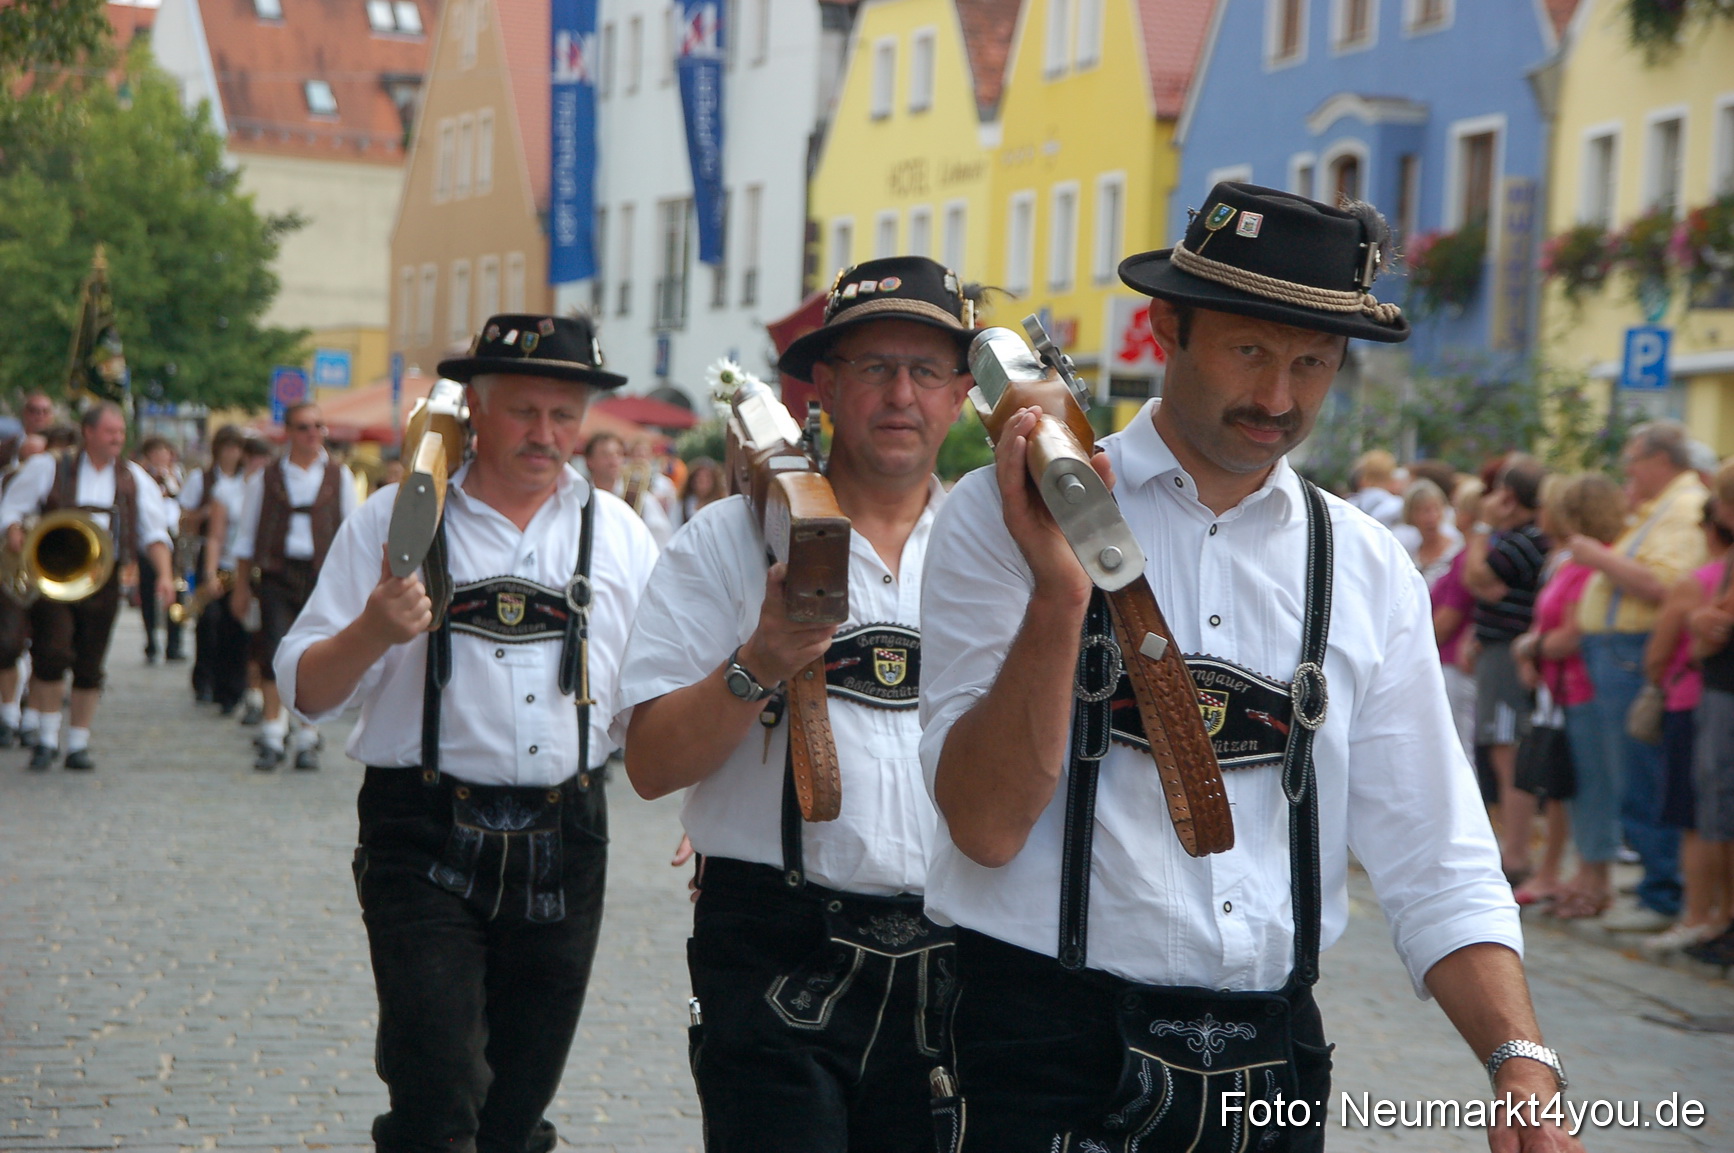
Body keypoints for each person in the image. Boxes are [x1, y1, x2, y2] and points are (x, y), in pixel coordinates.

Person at [920, 183, 1578, 1151]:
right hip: (1041, 1049)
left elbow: (1436, 853)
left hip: (1273, 1064)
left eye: (1314, 362)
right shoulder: (997, 514)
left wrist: (1519, 1058)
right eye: (1251, 351)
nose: (1279, 397)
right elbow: (981, 825)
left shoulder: (1361, 562)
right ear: (1165, 329)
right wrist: (1062, 593)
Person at [276, 313, 658, 1153]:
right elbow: (304, 690)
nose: (546, 433)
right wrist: (372, 630)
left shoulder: (622, 535)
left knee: (516, 1112)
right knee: (439, 1092)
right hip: (422, 832)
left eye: (565, 415)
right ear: (474, 410)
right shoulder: (394, 521)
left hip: (568, 832)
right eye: (525, 411)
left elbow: (655, 696)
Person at [617, 256, 973, 1152]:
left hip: (959, 956)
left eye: (926, 370)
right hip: (776, 944)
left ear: (962, 394)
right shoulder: (725, 541)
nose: (901, 394)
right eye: (874, 367)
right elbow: (652, 764)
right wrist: (760, 661)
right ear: (823, 385)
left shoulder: (995, 551)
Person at [1572, 420, 1706, 925]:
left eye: (1633, 459)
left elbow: (1663, 585)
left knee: (1642, 774)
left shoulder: (1683, 508)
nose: (1627, 470)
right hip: (1618, 651)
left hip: (1633, 652)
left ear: (1660, 461)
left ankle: (1661, 890)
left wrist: (1598, 558)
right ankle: (1656, 883)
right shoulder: (1662, 508)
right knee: (1631, 774)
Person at [0, 403, 175, 770]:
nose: (118, 439)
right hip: (53, 573)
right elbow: (11, 508)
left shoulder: (133, 477)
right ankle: (47, 738)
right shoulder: (49, 466)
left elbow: (154, 531)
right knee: (51, 652)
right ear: (89, 432)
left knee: (90, 661)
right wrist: (14, 530)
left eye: (121, 433)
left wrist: (163, 574)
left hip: (102, 577)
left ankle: (78, 742)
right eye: (111, 432)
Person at [228, 403, 360, 770]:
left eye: (319, 426)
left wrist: (353, 588)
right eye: (304, 427)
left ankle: (308, 733)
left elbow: (352, 534)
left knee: (316, 654)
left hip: (322, 576)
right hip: (275, 572)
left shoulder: (340, 476)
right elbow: (246, 538)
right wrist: (240, 587)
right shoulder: (264, 478)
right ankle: (272, 731)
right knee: (272, 649)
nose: (313, 434)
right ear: (288, 432)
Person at [1640, 490, 1731, 952]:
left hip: (1692, 702)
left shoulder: (1697, 581)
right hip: (1711, 697)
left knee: (1693, 816)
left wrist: (1664, 672)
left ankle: (1700, 912)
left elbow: (1660, 652)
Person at [1462, 456, 1551, 886]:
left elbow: (1481, 579)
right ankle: (1512, 844)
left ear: (1511, 496)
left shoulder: (1522, 540)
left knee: (1506, 747)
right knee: (1503, 747)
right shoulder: (1528, 538)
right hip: (1498, 646)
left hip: (1506, 655)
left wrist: (1480, 529)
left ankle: (1515, 850)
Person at [180, 425, 253, 711]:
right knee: (208, 619)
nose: (233, 453)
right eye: (228, 447)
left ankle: (229, 684)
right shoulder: (203, 478)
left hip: (236, 562)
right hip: (209, 555)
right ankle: (204, 679)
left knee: (233, 624)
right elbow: (185, 519)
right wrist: (205, 514)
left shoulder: (248, 482)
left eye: (237, 448)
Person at [0, 390, 58, 747]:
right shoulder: (6, 481)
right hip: (10, 573)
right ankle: (9, 715)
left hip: (50, 572)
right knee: (7, 644)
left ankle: (34, 717)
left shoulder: (60, 477)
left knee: (49, 648)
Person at [136, 436, 186, 664]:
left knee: (177, 591)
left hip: (174, 538)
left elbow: (181, 499)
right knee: (148, 591)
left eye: (164, 451)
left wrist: (168, 479)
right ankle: (151, 641)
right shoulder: (142, 477)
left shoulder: (177, 475)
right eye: (155, 452)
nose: (161, 456)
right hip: (151, 540)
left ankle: (174, 643)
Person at [583, 431, 674, 546]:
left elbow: (661, 539)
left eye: (618, 454)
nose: (614, 461)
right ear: (589, 461)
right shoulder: (579, 497)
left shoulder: (640, 498)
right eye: (605, 455)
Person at [679, 456, 725, 522]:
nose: (702, 485)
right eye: (699, 480)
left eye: (707, 480)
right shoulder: (684, 504)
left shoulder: (720, 505)